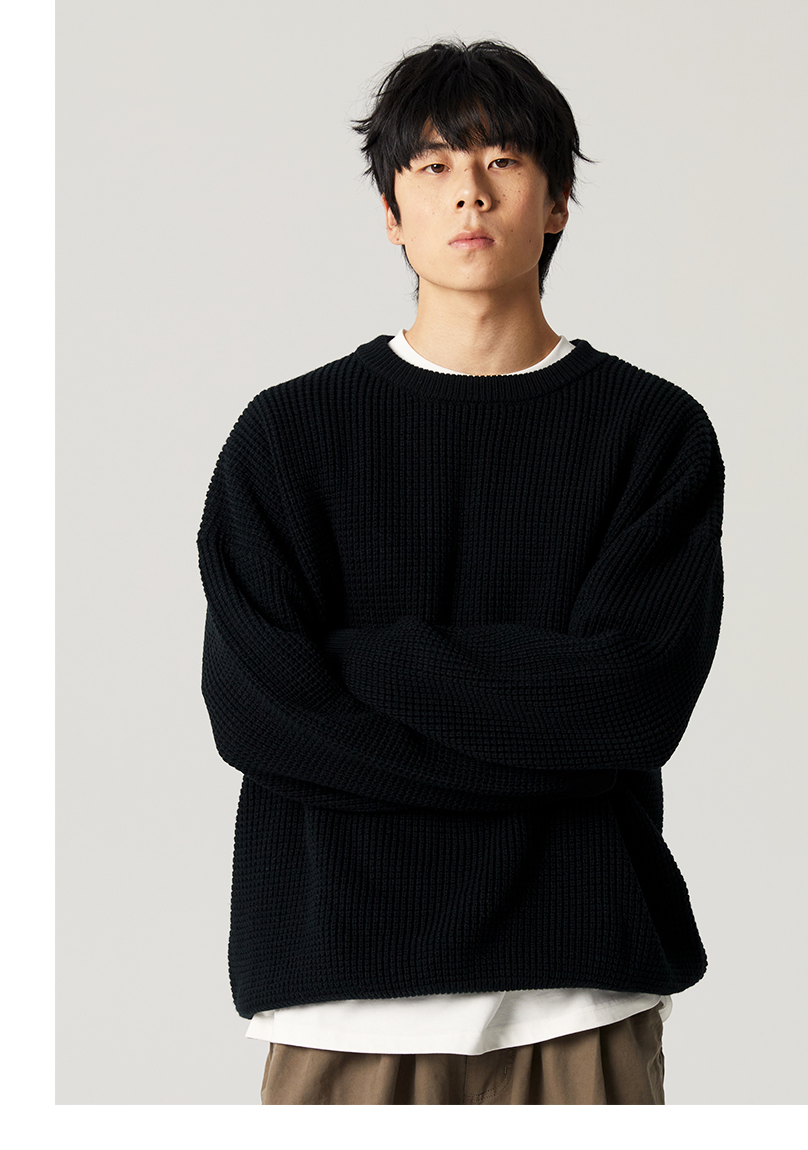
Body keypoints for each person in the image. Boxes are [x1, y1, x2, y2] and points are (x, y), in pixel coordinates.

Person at [196, 37, 725, 1106]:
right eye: (433, 165)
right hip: (340, 993)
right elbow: (258, 713)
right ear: (391, 213)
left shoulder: (650, 434)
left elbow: (628, 706)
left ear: (558, 200)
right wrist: (534, 724)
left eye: (503, 159)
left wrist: (368, 664)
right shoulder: (289, 437)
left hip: (578, 994)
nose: (468, 191)